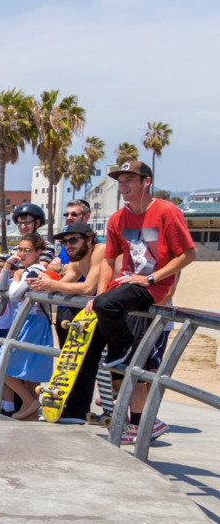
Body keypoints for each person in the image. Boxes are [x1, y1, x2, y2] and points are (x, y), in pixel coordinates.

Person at [65, 161, 196, 442]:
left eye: (129, 181)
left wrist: (151, 279)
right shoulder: (117, 219)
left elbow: (187, 253)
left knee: (121, 348)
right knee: (107, 351)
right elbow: (109, 260)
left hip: (153, 287)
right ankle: (117, 418)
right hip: (125, 288)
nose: (123, 187)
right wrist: (100, 294)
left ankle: (121, 355)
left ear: (146, 182)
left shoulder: (166, 211)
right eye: (120, 181)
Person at [0, 235, 56, 420]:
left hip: (33, 322)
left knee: (1, 366)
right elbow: (2, 286)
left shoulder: (34, 270)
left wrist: (16, 276)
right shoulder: (28, 270)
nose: (21, 254)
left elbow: (13, 294)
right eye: (19, 249)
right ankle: (29, 410)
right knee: (30, 372)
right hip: (29, 322)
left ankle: (29, 401)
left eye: (27, 250)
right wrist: (7, 266)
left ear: (38, 252)